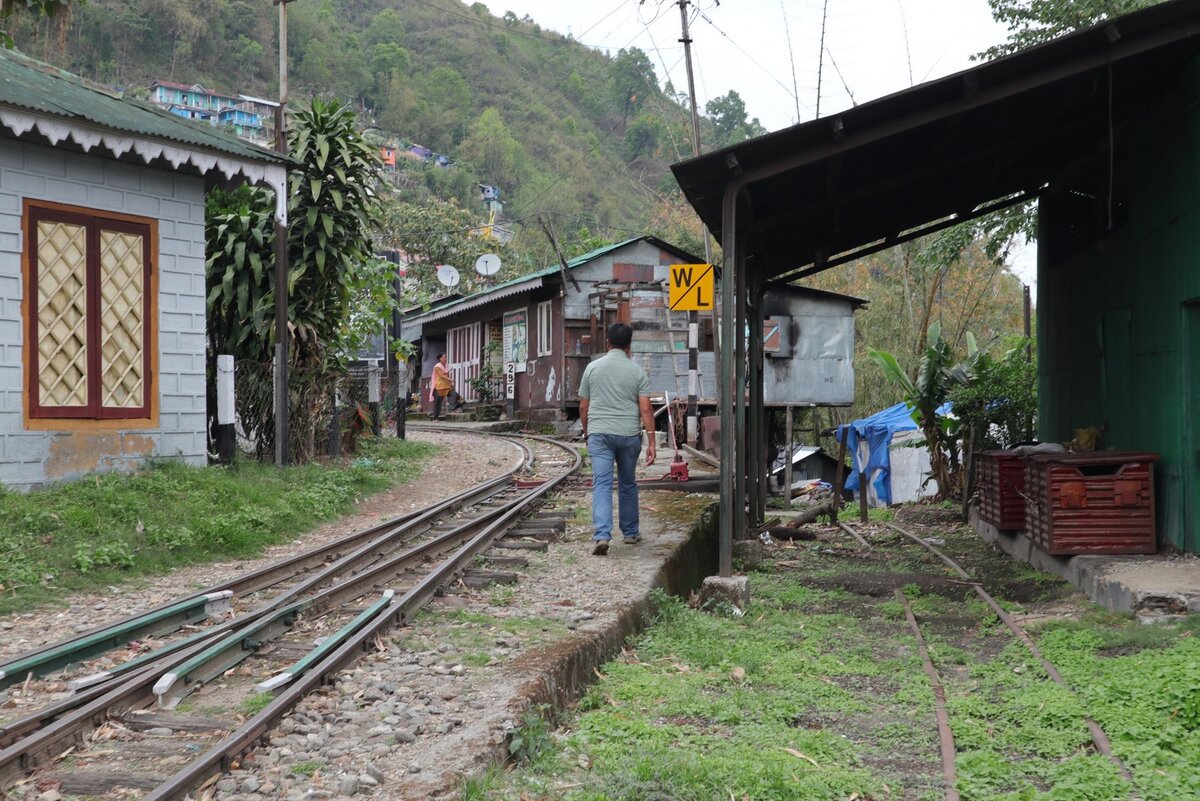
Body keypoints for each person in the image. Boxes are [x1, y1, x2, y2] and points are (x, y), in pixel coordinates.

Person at [578, 323, 657, 556]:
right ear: (629, 345)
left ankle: (602, 535)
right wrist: (651, 442)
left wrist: (587, 431)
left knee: (601, 483)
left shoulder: (592, 368)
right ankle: (631, 533)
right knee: (627, 483)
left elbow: (584, 407)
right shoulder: (637, 371)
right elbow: (645, 409)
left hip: (599, 434)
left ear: (608, 343)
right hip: (628, 434)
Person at [430, 353, 462, 419]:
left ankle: (453, 408)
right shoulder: (437, 366)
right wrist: (450, 379)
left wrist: (450, 383)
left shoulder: (446, 366)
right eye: (444, 357)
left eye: (446, 357)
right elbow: (441, 375)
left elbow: (446, 375)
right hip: (439, 387)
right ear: (440, 358)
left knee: (455, 395)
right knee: (437, 403)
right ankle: (435, 418)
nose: (446, 358)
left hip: (447, 386)